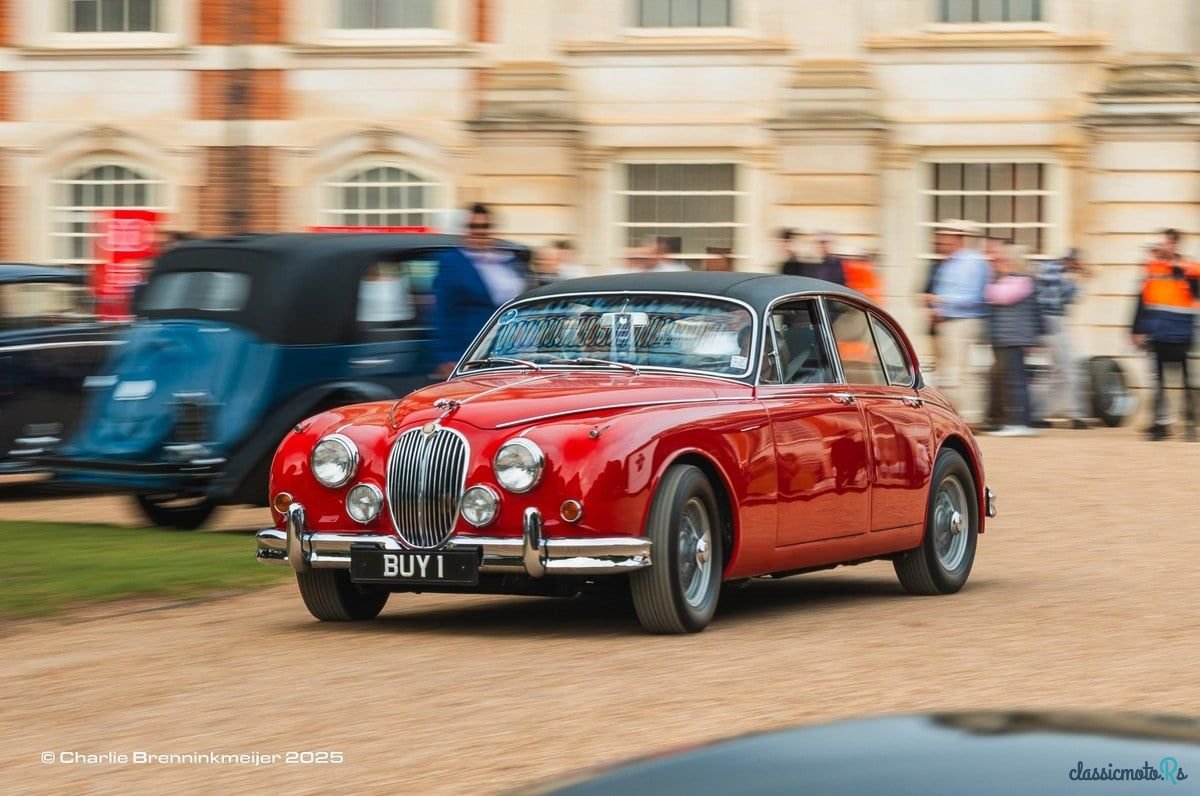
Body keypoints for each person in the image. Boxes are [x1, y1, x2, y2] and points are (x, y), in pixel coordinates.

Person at [432, 203, 529, 378]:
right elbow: (443, 312)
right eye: (474, 226)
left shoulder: (507, 260)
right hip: (473, 353)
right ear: (465, 230)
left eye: (485, 226)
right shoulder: (452, 262)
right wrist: (448, 356)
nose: (480, 231)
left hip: (512, 351)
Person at [1131, 228, 1199, 441]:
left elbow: (1197, 293)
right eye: (1161, 243)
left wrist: (1181, 270)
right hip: (1157, 332)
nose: (1161, 247)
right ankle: (1160, 426)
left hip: (1181, 332)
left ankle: (1190, 425)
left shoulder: (1189, 268)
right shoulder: (1151, 268)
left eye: (1166, 243)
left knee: (1185, 380)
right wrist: (1136, 329)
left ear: (1175, 245)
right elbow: (1141, 300)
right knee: (1157, 381)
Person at [930, 219, 991, 425]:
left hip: (963, 322)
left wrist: (941, 301)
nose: (940, 243)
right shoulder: (950, 262)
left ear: (956, 239)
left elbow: (974, 297)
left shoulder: (972, 262)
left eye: (944, 238)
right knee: (951, 371)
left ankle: (969, 416)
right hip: (949, 321)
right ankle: (954, 416)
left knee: (961, 372)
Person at [985, 245, 1041, 437]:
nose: (998, 264)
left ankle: (1018, 422)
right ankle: (1014, 421)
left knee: (1014, 382)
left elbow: (999, 296)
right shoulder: (1009, 281)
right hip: (1007, 339)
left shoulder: (1021, 282)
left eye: (1002, 260)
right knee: (1010, 380)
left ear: (1012, 263)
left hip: (1012, 339)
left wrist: (989, 285)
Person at [1034, 247, 1091, 429]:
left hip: (1050, 324)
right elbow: (1063, 296)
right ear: (1073, 260)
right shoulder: (1053, 269)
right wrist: (1081, 278)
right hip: (1051, 323)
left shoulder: (1056, 270)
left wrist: (1080, 279)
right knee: (1070, 368)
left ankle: (1040, 414)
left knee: (1058, 371)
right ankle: (1077, 416)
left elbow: (1068, 297)